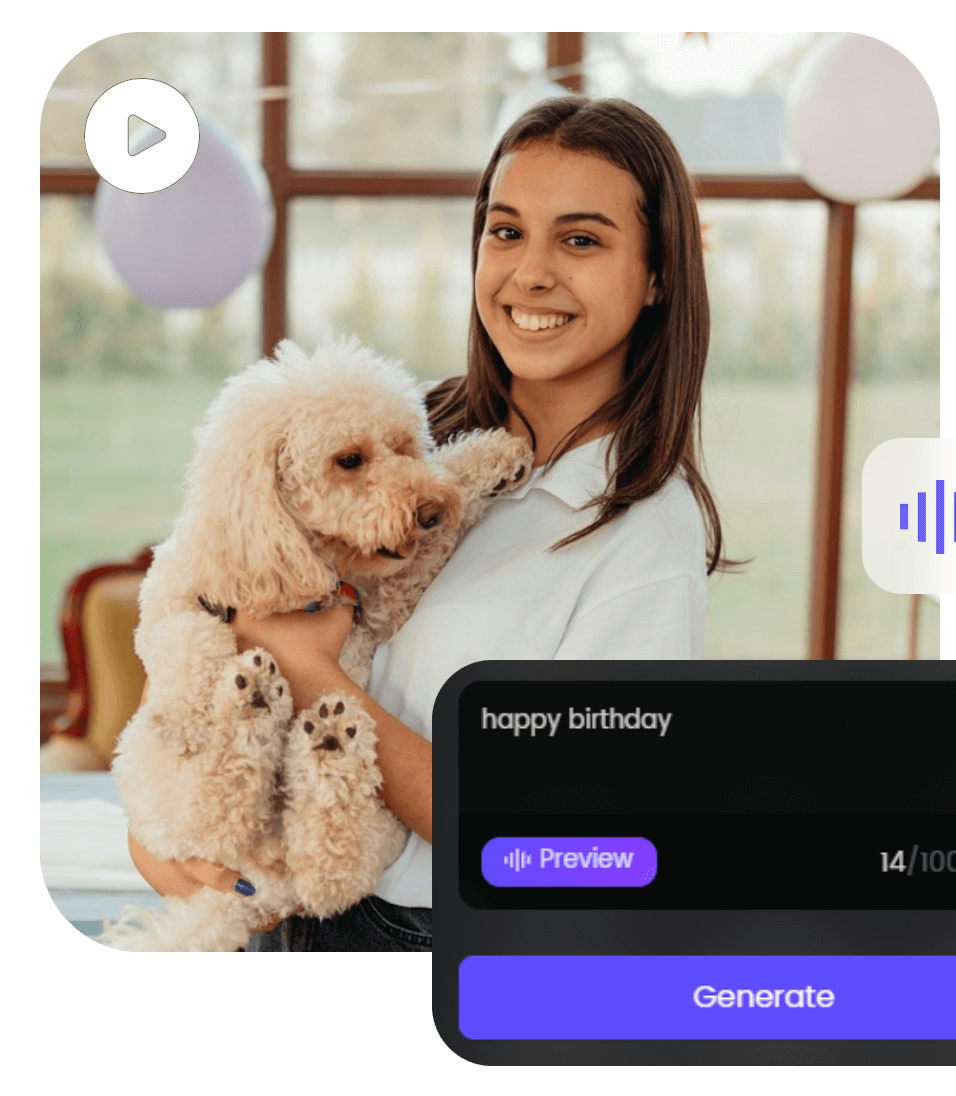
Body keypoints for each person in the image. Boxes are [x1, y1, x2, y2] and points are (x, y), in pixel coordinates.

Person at [125, 95, 740, 951]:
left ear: (658, 275)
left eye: (582, 239)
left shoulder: (639, 535)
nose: (529, 273)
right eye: (505, 230)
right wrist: (162, 832)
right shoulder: (406, 436)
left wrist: (308, 668)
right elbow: (208, 620)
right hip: (282, 915)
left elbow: (556, 842)